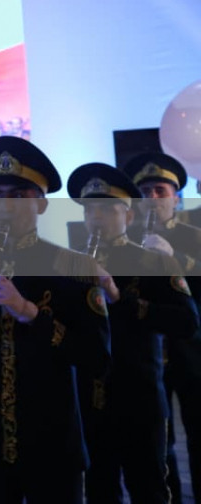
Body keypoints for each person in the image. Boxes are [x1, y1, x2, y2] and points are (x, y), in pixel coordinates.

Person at [0, 136, 112, 503]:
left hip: (52, 436)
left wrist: (28, 312)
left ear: (41, 203)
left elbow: (97, 359)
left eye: (19, 195)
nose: (5, 207)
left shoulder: (75, 267)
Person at [67, 162, 198, 504]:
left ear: (127, 215)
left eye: (108, 209)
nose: (97, 218)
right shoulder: (72, 265)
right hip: (90, 400)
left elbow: (187, 322)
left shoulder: (155, 262)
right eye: (90, 210)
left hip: (139, 397)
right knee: (98, 488)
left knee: (150, 486)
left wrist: (118, 298)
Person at [123, 152, 201, 503]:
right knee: (157, 443)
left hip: (192, 352)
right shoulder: (124, 241)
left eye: (160, 190)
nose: (152, 199)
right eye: (144, 192)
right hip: (145, 358)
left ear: (176, 196)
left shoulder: (194, 236)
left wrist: (177, 261)